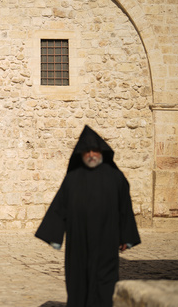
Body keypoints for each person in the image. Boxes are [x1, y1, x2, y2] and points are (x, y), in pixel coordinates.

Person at [35, 125, 140, 307]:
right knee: (78, 282)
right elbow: (60, 207)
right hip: (79, 244)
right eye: (87, 151)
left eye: (95, 151)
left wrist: (126, 236)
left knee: (105, 284)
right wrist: (54, 236)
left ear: (101, 152)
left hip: (106, 241)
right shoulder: (72, 179)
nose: (91, 155)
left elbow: (125, 207)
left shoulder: (116, 177)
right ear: (81, 155)